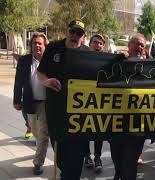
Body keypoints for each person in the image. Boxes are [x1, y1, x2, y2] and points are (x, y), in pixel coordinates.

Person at [37, 20, 90, 180]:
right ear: (67, 31)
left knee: (77, 157)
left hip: (80, 115)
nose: (75, 36)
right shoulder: (53, 48)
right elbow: (40, 73)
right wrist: (46, 82)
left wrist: (123, 59)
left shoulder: (88, 53)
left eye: (79, 33)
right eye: (72, 31)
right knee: (61, 156)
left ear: (83, 36)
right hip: (56, 111)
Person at [109, 34, 147, 180]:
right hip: (116, 122)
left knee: (130, 164)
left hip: (137, 124)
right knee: (117, 160)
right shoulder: (117, 62)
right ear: (129, 45)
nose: (139, 47)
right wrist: (117, 58)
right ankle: (119, 174)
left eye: (142, 45)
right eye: (136, 44)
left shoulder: (150, 66)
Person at [13, 32, 49, 175]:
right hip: (30, 102)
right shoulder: (24, 61)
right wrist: (16, 99)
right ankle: (40, 145)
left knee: (43, 134)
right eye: (35, 43)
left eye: (40, 43)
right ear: (31, 45)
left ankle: (38, 163)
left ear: (45, 46)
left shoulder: (50, 61)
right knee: (35, 132)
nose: (37, 46)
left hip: (46, 103)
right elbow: (18, 82)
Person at [83, 34, 106, 172]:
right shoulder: (81, 58)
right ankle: (87, 156)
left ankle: (97, 157)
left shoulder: (107, 59)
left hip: (101, 102)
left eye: (101, 43)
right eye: (95, 42)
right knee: (85, 129)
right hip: (85, 101)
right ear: (90, 44)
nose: (98, 45)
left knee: (99, 131)